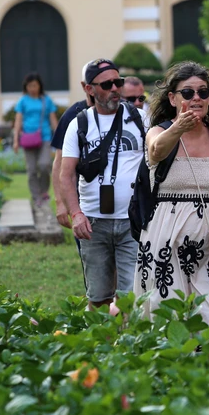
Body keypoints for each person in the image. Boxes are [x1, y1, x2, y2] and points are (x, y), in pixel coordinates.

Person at [135, 61, 209, 329]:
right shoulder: (158, 132)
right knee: (168, 322)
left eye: (203, 92)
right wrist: (178, 128)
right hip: (165, 242)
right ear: (173, 98)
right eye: (187, 93)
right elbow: (155, 151)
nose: (196, 98)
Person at [58, 59, 146, 310]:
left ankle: (131, 346)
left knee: (133, 297)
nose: (115, 89)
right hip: (94, 223)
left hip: (133, 221)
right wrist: (75, 214)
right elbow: (66, 174)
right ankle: (100, 347)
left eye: (118, 82)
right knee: (98, 297)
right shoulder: (80, 123)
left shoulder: (140, 118)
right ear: (89, 89)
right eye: (107, 84)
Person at [52, 60, 96, 228]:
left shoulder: (124, 113)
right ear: (86, 86)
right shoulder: (74, 115)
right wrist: (60, 202)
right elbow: (59, 162)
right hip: (82, 201)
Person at [12, 72, 59, 209]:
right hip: (28, 139)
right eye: (29, 86)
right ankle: (36, 196)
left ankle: (43, 190)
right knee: (31, 170)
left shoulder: (46, 100)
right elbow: (18, 120)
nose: (32, 88)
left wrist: (59, 137)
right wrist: (16, 140)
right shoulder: (22, 101)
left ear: (39, 86)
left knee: (44, 165)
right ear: (26, 87)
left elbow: (53, 119)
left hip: (44, 137)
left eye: (34, 85)